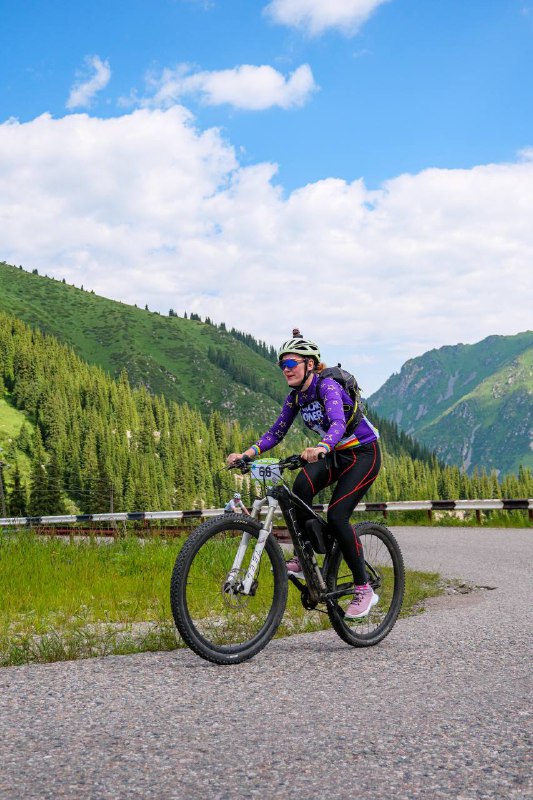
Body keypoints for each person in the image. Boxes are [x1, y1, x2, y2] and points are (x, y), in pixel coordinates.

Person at [227, 329, 381, 620]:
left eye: (291, 364)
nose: (285, 370)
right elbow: (276, 432)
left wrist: (322, 446)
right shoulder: (295, 398)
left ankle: (363, 587)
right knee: (300, 488)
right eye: (281, 365)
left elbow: (337, 422)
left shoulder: (327, 388)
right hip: (335, 453)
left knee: (337, 515)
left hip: (363, 453)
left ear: (310, 364)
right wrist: (246, 455)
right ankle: (305, 554)